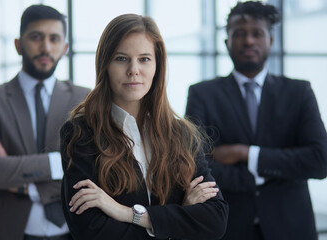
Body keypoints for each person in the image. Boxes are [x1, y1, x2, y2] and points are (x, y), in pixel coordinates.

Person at [60, 13, 228, 240]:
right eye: (121, 58)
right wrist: (180, 216)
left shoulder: (181, 135)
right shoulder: (81, 133)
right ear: (105, 65)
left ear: (157, 66)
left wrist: (127, 213)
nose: (133, 70)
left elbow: (215, 220)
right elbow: (92, 231)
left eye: (144, 59)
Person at [185, 1, 327, 240]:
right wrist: (266, 172)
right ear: (226, 42)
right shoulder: (202, 94)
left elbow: (320, 161)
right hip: (227, 227)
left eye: (257, 33)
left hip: (291, 227)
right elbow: (195, 166)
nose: (248, 41)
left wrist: (246, 154)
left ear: (270, 40)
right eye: (239, 34)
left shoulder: (299, 92)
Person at [0, 4, 90, 240]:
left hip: (73, 231)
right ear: (18, 44)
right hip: (4, 230)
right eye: (36, 37)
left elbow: (94, 171)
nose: (46, 47)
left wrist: (22, 184)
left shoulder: (84, 100)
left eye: (54, 39)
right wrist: (60, 163)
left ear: (64, 48)